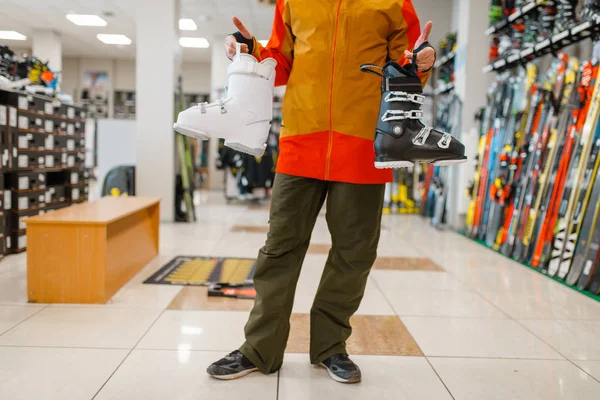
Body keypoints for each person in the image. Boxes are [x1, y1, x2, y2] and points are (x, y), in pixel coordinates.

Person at [207, 0, 436, 383]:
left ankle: (330, 346)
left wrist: (423, 65)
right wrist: (251, 51)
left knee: (354, 251)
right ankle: (259, 348)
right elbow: (279, 63)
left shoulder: (395, 3)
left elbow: (406, 68)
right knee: (280, 246)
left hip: (363, 144)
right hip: (301, 141)